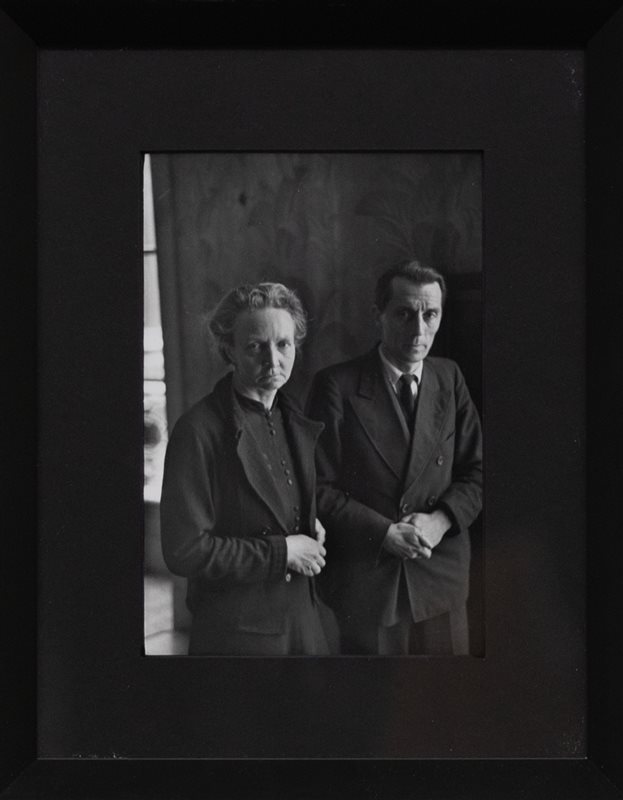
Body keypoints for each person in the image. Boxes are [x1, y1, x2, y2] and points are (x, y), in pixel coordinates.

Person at [307, 260, 483, 655]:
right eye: (404, 313)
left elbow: (478, 471)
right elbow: (316, 488)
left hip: (440, 573)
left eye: (430, 314)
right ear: (379, 316)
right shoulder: (337, 385)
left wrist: (441, 521)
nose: (419, 330)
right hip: (370, 581)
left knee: (449, 701)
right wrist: (383, 533)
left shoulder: (449, 377)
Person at [160, 282, 331, 655]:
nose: (273, 360)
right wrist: (282, 552)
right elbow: (184, 550)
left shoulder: (292, 417)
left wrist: (307, 520)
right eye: (255, 346)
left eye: (283, 344)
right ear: (230, 351)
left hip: (303, 623)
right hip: (239, 636)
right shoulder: (199, 430)